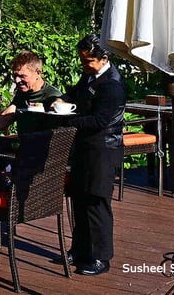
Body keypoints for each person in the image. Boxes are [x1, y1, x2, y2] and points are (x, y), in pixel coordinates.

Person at [55, 33, 126, 276]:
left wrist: (68, 121)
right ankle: (80, 249)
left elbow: (100, 120)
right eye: (82, 60)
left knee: (97, 202)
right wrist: (60, 100)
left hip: (104, 149)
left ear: (104, 58)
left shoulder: (112, 85)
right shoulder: (89, 75)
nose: (84, 65)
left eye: (88, 61)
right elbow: (75, 93)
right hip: (84, 147)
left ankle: (101, 257)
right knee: (79, 198)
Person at [0, 51, 62, 135]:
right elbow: (7, 117)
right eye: (15, 76)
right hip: (25, 143)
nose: (17, 80)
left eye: (22, 76)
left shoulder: (53, 96)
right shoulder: (22, 93)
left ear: (38, 73)